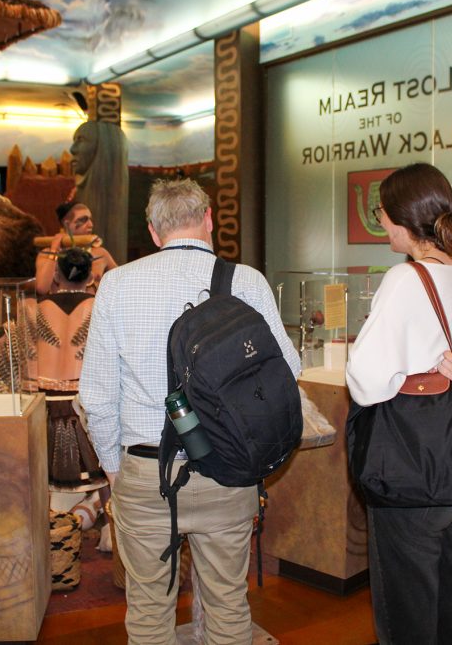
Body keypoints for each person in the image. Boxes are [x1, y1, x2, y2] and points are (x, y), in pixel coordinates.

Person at [79, 178, 300, 643]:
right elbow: (289, 371)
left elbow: (97, 396)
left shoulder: (117, 284)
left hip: (145, 471)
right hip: (230, 471)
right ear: (208, 221)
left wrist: (114, 471)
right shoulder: (246, 281)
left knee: (147, 613)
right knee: (228, 606)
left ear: (154, 232)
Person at [345, 162, 452, 644]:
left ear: (402, 219)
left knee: (409, 618)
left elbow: (364, 381)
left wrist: (414, 375)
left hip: (418, 478)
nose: (381, 223)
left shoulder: (407, 281)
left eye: (381, 213)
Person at [34, 246, 105, 491]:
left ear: (56, 275)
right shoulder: (100, 307)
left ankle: (43, 527)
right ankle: (111, 527)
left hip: (42, 409)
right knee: (106, 479)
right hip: (84, 408)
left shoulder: (35, 309)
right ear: (91, 277)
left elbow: (3, 348)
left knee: (40, 486)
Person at [36, 201, 117, 296]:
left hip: (91, 309)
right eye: (83, 220)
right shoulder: (47, 254)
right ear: (67, 224)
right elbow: (42, 288)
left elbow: (122, 281)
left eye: (90, 219)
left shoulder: (100, 253)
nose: (90, 224)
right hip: (57, 309)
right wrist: (54, 250)